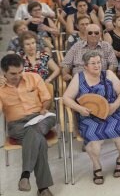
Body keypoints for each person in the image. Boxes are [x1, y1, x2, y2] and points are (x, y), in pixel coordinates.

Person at [62, 51, 120, 185]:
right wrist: (80, 109)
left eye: (99, 62)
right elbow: (66, 98)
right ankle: (96, 165)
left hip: (111, 113)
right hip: (89, 117)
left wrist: (114, 105)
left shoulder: (109, 75)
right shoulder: (79, 77)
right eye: (93, 63)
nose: (97, 66)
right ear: (85, 66)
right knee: (94, 145)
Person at [0, 54, 56, 196]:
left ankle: (25, 175)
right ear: (3, 72)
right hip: (17, 125)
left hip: (41, 118)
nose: (18, 76)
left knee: (37, 129)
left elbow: (47, 99)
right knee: (39, 140)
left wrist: (44, 108)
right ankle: (43, 189)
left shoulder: (34, 77)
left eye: (20, 72)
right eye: (13, 74)